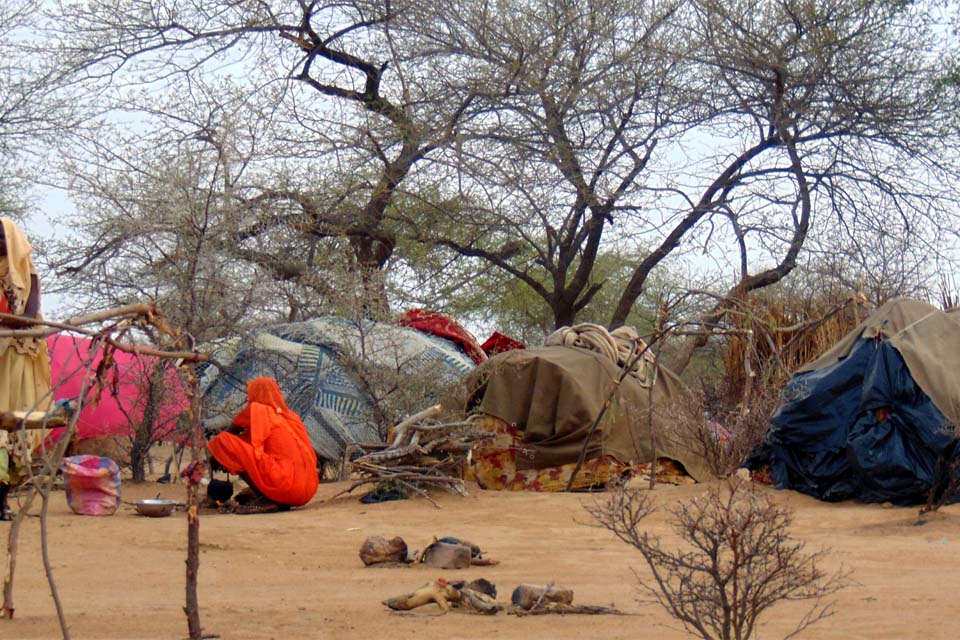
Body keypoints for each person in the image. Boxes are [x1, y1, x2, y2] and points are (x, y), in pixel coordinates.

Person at [0, 217, 53, 519]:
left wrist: (4, 320)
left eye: (0, 238)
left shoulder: (28, 274)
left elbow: (30, 317)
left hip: (16, 358)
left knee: (11, 427)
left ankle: (2, 500)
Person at [207, 377, 319, 514]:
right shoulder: (290, 417)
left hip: (285, 485)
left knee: (223, 441)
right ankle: (276, 499)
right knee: (245, 446)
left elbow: (230, 433)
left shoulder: (257, 409)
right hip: (308, 489)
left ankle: (267, 499)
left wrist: (215, 457)